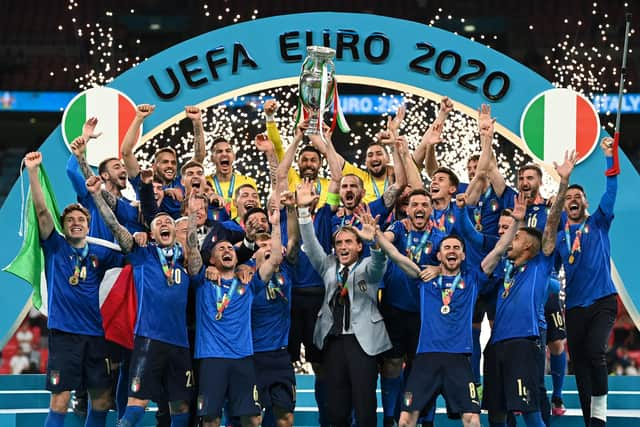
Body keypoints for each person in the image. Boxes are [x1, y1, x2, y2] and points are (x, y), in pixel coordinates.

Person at [373, 192, 526, 427]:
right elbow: (395, 254)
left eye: (456, 247)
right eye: (447, 248)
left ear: (463, 255)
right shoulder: (424, 278)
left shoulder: (473, 278)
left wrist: (516, 222)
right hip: (426, 359)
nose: (452, 250)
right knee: (405, 420)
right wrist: (373, 232)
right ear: (438, 254)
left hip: (459, 360)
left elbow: (497, 251)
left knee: (472, 419)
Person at [87, 176, 203, 427]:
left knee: (181, 406)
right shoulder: (142, 255)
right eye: (158, 222)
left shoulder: (185, 263)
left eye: (169, 222)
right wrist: (97, 195)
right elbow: (115, 225)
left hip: (180, 344)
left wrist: (192, 215)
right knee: (137, 405)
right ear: (151, 233)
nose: (164, 224)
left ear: (175, 232)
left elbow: (193, 248)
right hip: (148, 340)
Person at [24, 151, 123, 427]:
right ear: (64, 226)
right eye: (70, 221)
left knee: (102, 399)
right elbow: (43, 212)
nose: (76, 223)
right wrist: (33, 172)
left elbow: (129, 253)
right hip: (65, 335)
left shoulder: (102, 254)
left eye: (81, 220)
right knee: (61, 399)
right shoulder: (55, 246)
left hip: (95, 334)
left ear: (88, 226)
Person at [482, 151, 576, 427]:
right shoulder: (504, 267)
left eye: (516, 237)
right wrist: (517, 221)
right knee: (497, 411)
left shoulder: (540, 264)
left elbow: (551, 222)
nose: (508, 240)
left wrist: (563, 183)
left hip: (524, 343)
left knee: (530, 410)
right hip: (496, 344)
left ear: (529, 246)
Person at [296, 178, 391, 427]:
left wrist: (375, 243)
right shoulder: (327, 265)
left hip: (363, 344)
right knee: (336, 410)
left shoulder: (368, 266)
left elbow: (380, 264)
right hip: (333, 342)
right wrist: (304, 212)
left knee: (365, 409)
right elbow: (311, 243)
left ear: (359, 246)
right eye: (339, 243)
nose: (343, 246)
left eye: (349, 242)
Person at [188, 205, 283, 427]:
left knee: (253, 418)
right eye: (220, 249)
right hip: (212, 359)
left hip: (243, 359)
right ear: (211, 260)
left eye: (230, 247)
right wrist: (192, 217)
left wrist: (276, 224)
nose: (227, 250)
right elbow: (192, 250)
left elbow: (276, 258)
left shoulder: (248, 282)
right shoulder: (202, 281)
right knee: (210, 419)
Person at [557, 137, 618, 427]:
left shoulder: (599, 222)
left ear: (586, 203)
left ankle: (601, 415)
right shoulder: (559, 238)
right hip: (574, 307)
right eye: (569, 197)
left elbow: (612, 189)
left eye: (578, 196)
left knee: (595, 351)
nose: (573, 200)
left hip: (603, 300)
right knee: (579, 365)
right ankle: (588, 421)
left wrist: (609, 156)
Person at [378, 189, 446, 427]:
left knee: (421, 367)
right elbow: (384, 240)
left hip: (425, 314)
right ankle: (389, 417)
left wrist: (438, 269)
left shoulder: (440, 236)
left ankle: (426, 419)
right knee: (392, 363)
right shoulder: (398, 228)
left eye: (424, 205)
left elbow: (456, 263)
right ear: (407, 209)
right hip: (394, 308)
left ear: (431, 209)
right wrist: (376, 235)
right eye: (414, 204)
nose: (419, 208)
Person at [121, 104, 206, 219]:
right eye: (165, 162)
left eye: (173, 162)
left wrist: (197, 122)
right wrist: (139, 118)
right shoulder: (144, 182)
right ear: (154, 166)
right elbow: (126, 152)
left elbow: (199, 157)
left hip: (179, 232)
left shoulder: (181, 183)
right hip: (148, 232)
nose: (170, 165)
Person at [206, 136, 258, 218]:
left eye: (228, 151)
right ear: (212, 158)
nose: (224, 154)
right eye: (219, 151)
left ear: (234, 156)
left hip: (241, 229)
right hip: (214, 227)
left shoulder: (248, 182)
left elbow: (256, 212)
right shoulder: (205, 183)